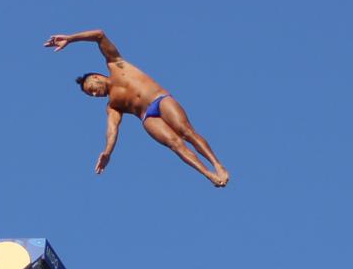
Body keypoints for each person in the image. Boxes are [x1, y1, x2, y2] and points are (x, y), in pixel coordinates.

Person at [44, 30, 230, 188]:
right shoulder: (112, 106)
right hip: (148, 117)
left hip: (159, 99)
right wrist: (107, 152)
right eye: (90, 96)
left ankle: (217, 164)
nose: (94, 94)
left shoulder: (115, 64)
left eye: (91, 89)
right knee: (175, 144)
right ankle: (209, 175)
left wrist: (70, 38)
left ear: (96, 77)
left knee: (186, 132)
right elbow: (112, 130)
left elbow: (99, 35)